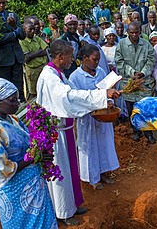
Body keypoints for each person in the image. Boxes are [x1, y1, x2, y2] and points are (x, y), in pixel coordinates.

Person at [36, 39, 121, 226]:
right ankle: (63, 212)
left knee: (68, 170)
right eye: (69, 56)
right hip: (55, 134)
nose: (72, 59)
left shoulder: (58, 74)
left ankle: (72, 204)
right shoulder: (49, 77)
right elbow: (69, 97)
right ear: (60, 56)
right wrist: (101, 96)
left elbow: (73, 93)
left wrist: (100, 100)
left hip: (64, 130)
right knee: (60, 173)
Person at [0, 78, 57, 229]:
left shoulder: (12, 119)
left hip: (34, 187)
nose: (18, 104)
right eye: (12, 100)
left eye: (17, 99)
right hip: (15, 192)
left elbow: (29, 145)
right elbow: (0, 171)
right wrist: (32, 158)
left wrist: (41, 155)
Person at [69, 44, 120, 190]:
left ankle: (104, 172)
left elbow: (107, 90)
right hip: (87, 119)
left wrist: (110, 102)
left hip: (104, 116)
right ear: (85, 59)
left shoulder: (101, 72)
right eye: (94, 59)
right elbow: (76, 100)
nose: (97, 63)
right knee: (90, 147)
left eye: (98, 60)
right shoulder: (75, 77)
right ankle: (93, 178)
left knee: (104, 145)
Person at [115, 22, 156, 143]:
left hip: (144, 82)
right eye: (131, 32)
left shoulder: (147, 44)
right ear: (127, 32)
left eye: (136, 32)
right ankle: (136, 131)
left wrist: (143, 73)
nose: (134, 35)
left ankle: (148, 133)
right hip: (129, 83)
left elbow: (151, 60)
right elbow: (119, 62)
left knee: (145, 108)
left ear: (140, 32)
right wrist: (132, 73)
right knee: (131, 109)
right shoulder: (121, 45)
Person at [19, 22, 48, 100]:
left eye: (33, 29)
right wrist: (39, 52)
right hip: (32, 70)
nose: (32, 31)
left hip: (43, 67)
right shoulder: (22, 41)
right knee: (33, 93)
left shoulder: (37, 38)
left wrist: (34, 54)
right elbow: (27, 57)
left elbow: (46, 50)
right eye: (30, 29)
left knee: (44, 90)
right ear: (24, 30)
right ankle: (31, 110)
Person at [59, 14, 81, 78]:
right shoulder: (65, 38)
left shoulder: (76, 36)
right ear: (66, 26)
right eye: (70, 25)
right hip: (69, 65)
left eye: (74, 24)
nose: (73, 26)